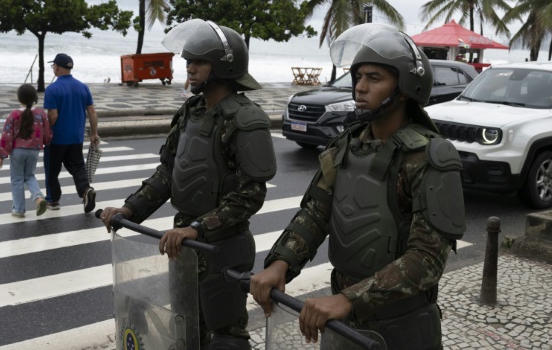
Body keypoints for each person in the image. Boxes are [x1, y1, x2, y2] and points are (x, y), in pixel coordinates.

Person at [250, 23, 466, 349]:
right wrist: (281, 263)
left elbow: (427, 259)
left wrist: (349, 299)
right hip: (343, 321)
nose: (360, 88)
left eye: (374, 78)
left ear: (404, 88)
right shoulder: (347, 146)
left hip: (402, 325)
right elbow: (316, 214)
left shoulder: (429, 156)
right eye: (358, 77)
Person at [100, 19, 276, 350]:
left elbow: (250, 195)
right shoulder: (190, 111)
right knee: (185, 331)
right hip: (182, 245)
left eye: (199, 62)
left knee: (226, 338)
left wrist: (197, 228)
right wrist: (130, 209)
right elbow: (169, 173)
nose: (189, 68)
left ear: (224, 67)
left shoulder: (245, 119)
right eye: (189, 60)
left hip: (222, 246)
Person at [43, 53, 100, 212]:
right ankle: (85, 190)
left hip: (57, 138)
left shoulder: (52, 89)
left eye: (53, 65)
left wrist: (46, 131)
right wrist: (94, 133)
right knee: (77, 166)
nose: (53, 68)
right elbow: (92, 111)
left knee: (52, 170)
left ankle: (53, 200)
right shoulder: (83, 87)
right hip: (76, 137)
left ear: (58, 67)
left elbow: (53, 115)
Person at [0, 84, 52, 218]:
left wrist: (2, 155)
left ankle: (19, 209)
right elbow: (47, 133)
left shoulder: (14, 114)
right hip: (34, 151)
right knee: (29, 176)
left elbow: (7, 136)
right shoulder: (41, 114)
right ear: (35, 98)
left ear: (19, 98)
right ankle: (38, 197)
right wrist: (46, 142)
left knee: (17, 179)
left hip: (18, 151)